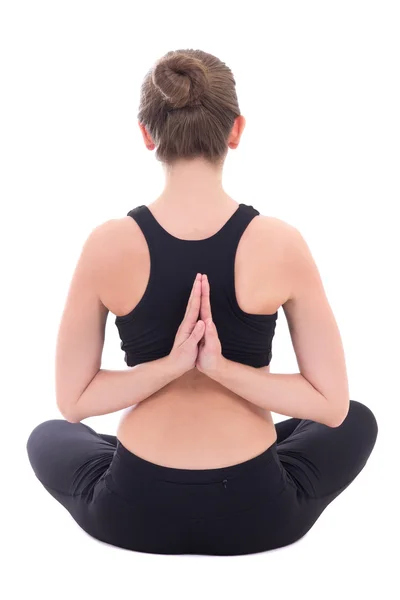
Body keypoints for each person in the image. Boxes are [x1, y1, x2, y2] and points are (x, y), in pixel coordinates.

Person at [26, 48, 378, 556]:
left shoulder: (108, 243)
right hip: (257, 512)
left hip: (134, 509)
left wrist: (171, 369)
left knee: (49, 433)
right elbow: (331, 405)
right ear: (235, 131)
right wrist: (223, 370)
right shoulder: (279, 241)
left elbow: (74, 403)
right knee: (357, 418)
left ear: (148, 134)